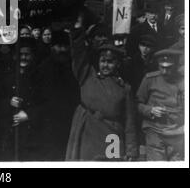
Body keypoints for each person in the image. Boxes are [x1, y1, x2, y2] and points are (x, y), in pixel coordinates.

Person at [65, 18, 138, 161]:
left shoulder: (125, 88)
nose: (105, 65)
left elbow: (129, 121)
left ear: (117, 64)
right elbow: (78, 54)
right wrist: (78, 30)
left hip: (112, 136)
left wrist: (131, 149)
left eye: (110, 62)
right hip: (87, 130)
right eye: (103, 61)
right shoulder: (87, 75)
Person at [34, 31, 80, 160]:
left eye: (65, 46)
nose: (62, 49)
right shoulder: (43, 68)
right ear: (52, 47)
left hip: (70, 120)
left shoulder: (73, 66)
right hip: (49, 123)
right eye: (59, 46)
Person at [136, 49, 184, 161]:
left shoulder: (183, 81)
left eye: (168, 68)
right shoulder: (150, 79)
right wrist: (150, 110)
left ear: (176, 65)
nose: (164, 72)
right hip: (154, 131)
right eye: (161, 67)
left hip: (178, 132)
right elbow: (137, 104)